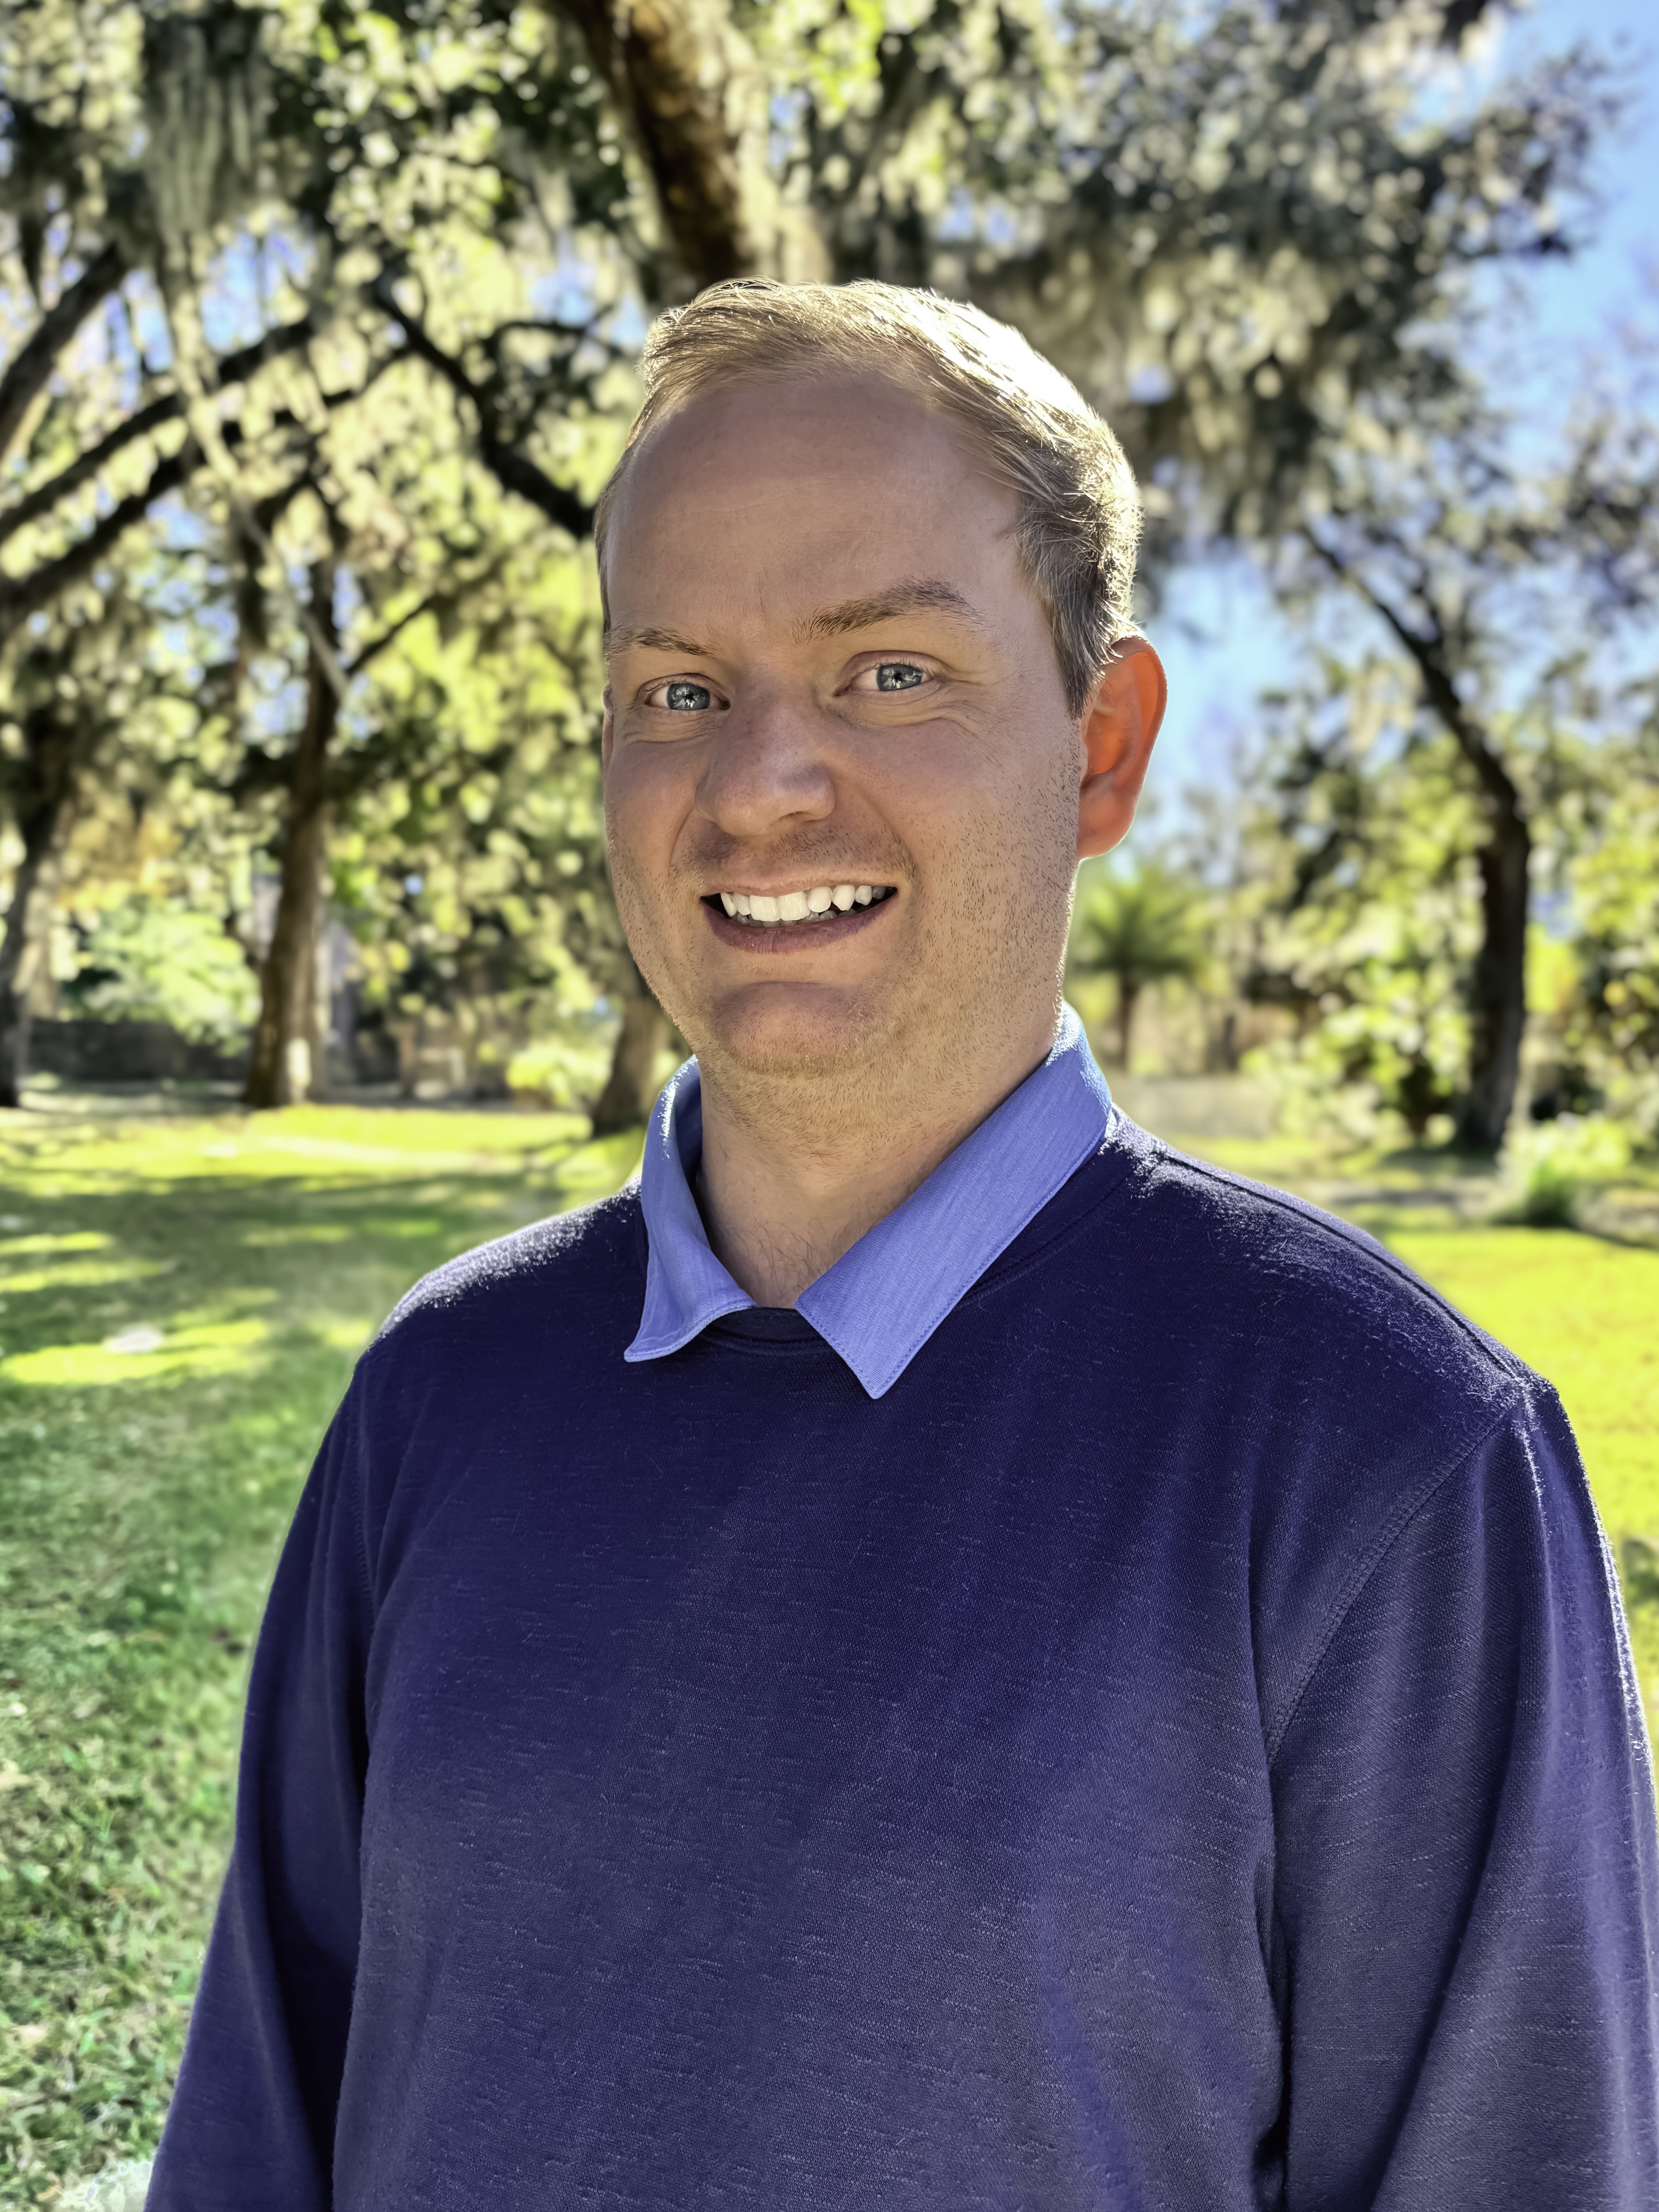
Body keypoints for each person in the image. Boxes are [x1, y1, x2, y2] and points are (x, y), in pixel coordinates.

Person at [147, 281, 1659, 2212]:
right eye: (678, 690)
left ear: (1101, 749)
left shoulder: (1387, 1457)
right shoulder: (437, 1395)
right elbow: (260, 2137)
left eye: (887, 670)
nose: (758, 785)